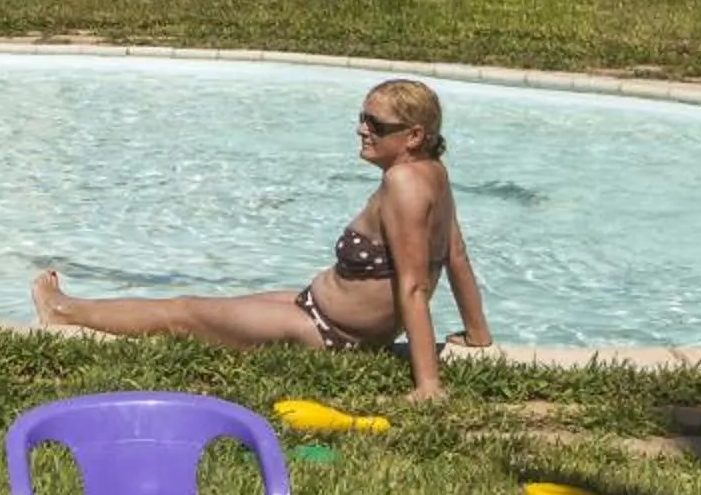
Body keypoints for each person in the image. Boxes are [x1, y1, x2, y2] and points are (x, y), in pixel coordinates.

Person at [30, 78, 495, 400]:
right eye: (362, 117)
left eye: (376, 124)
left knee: (184, 313)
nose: (362, 129)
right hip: (317, 309)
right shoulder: (434, 173)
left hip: (330, 333)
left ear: (414, 135)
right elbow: (455, 255)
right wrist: (477, 333)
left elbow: (413, 286)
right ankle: (72, 307)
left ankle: (63, 310)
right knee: (211, 308)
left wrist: (427, 383)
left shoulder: (404, 185)